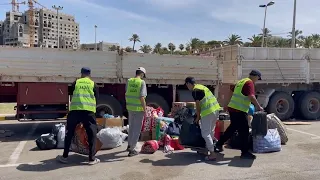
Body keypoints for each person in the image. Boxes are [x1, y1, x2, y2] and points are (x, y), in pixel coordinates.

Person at [214, 69, 264, 159]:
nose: (257, 80)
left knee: (233, 128)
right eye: (258, 78)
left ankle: (219, 144)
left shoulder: (241, 81)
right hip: (239, 110)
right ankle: (244, 152)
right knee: (244, 131)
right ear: (256, 76)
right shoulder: (249, 83)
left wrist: (226, 104)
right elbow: (251, 96)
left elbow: (231, 92)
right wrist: (259, 106)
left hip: (233, 108)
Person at [57, 67, 100, 165]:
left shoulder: (76, 83)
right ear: (89, 74)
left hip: (75, 111)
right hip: (88, 112)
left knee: (69, 134)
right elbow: (97, 99)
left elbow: (71, 94)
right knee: (91, 134)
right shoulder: (93, 84)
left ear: (81, 74)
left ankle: (64, 157)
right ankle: (91, 159)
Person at [185, 77, 221, 161]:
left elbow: (198, 105)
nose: (187, 87)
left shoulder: (195, 90)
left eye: (187, 85)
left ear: (188, 84)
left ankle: (212, 153)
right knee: (210, 131)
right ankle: (207, 149)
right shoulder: (202, 87)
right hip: (215, 110)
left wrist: (198, 117)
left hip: (208, 112)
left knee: (205, 133)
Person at [126, 67, 147, 157]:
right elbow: (142, 97)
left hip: (130, 107)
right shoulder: (142, 82)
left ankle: (129, 145)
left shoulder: (129, 81)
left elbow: (126, 93)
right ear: (142, 74)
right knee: (137, 129)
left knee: (131, 127)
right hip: (138, 109)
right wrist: (145, 109)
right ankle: (132, 149)